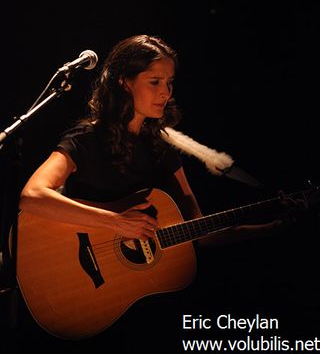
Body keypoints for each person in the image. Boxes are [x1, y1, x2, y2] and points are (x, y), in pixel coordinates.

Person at [17, 34, 307, 347]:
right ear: (124, 82)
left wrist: (269, 228)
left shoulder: (162, 144)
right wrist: (115, 222)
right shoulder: (87, 138)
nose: (165, 93)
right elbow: (32, 196)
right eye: (154, 81)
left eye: (169, 82)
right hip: (66, 274)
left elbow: (200, 232)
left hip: (122, 307)